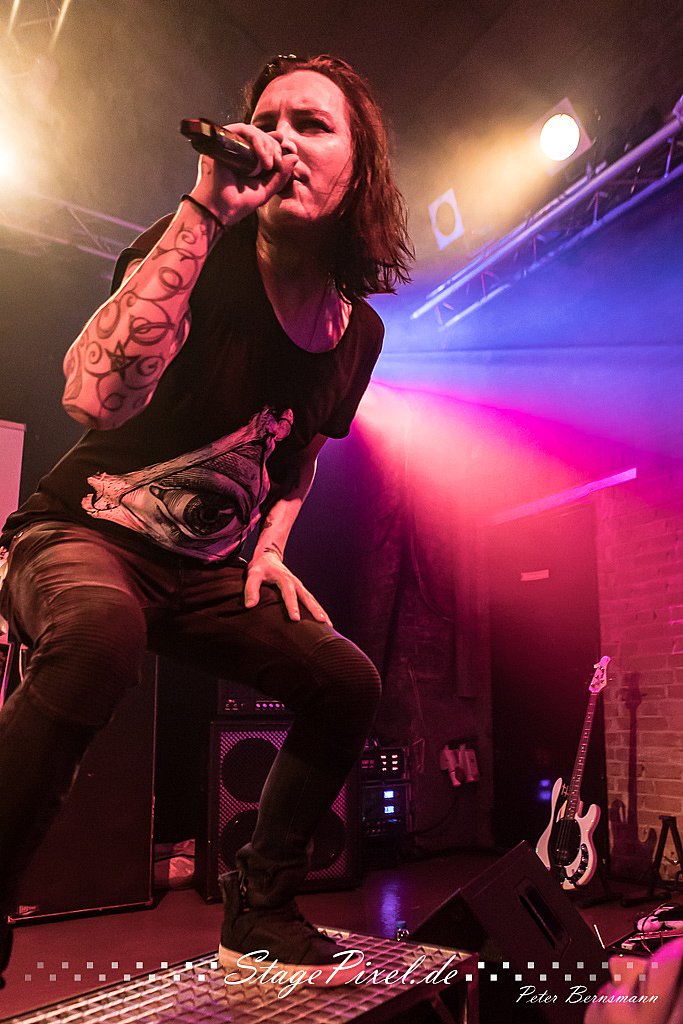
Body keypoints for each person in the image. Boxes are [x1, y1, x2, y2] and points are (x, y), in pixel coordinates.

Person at [0, 53, 412, 989]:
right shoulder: (195, 245)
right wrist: (201, 214)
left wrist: (269, 549)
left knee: (344, 681)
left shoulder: (358, 333)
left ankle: (258, 913)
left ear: (359, 168)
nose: (281, 138)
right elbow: (91, 400)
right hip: (81, 531)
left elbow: (302, 455)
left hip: (201, 574)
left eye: (312, 124)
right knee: (99, 634)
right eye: (268, 120)